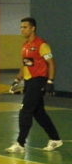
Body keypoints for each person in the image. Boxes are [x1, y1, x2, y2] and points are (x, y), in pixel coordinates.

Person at [6, 17, 62, 153]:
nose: (22, 30)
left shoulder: (42, 44)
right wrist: (17, 80)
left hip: (39, 80)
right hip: (29, 81)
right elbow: (25, 65)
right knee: (39, 113)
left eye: (25, 27)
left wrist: (50, 81)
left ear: (33, 28)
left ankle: (20, 144)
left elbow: (51, 63)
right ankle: (55, 139)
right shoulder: (25, 45)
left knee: (25, 110)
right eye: (21, 27)